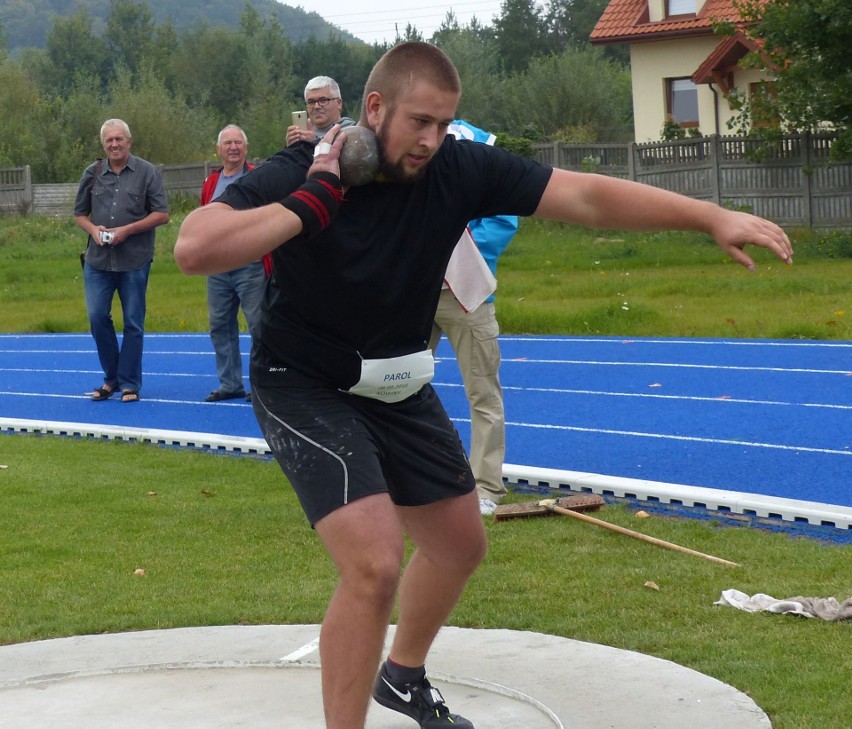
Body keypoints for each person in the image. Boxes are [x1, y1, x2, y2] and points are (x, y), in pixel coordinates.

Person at [173, 41, 792, 729]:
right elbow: (195, 248)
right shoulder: (302, 169)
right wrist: (318, 196)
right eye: (420, 122)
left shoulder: (459, 168)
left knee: (460, 544)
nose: (433, 140)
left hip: (397, 381)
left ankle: (402, 677)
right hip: (304, 381)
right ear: (374, 109)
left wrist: (707, 216)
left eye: (445, 123)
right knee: (375, 564)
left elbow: (583, 194)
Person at [430, 119, 519, 516]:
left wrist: (454, 255)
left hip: (467, 292)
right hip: (412, 291)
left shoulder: (478, 142)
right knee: (394, 387)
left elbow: (502, 218)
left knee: (482, 392)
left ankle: (485, 486)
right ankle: (413, 476)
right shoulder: (406, 141)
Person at [74, 118, 169, 403]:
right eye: (109, 141)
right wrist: (94, 230)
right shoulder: (92, 173)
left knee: (133, 323)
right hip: (98, 261)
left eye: (119, 139)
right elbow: (80, 214)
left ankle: (129, 384)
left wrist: (127, 230)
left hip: (135, 260)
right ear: (103, 145)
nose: (114, 144)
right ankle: (111, 378)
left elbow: (162, 214)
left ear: (129, 141)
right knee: (96, 318)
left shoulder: (147, 172)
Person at [201, 124, 269, 402]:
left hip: (250, 265)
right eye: (227, 143)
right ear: (218, 150)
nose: (233, 147)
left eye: (238, 143)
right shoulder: (210, 184)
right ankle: (230, 384)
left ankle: (264, 385)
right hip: (218, 267)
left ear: (246, 148)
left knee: (259, 326)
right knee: (220, 325)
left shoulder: (259, 177)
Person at [285, 75, 355, 147]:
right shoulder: (305, 135)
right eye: (311, 102)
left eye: (323, 100)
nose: (316, 106)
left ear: (339, 103)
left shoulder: (353, 133)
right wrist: (292, 150)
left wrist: (313, 145)